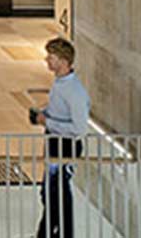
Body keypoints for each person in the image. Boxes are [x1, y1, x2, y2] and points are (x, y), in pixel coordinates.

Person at [32, 37, 90, 238]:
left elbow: (79, 129)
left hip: (65, 146)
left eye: (52, 57)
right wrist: (45, 114)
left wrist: (47, 122)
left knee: (56, 193)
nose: (47, 60)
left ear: (64, 61)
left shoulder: (75, 91)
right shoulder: (60, 83)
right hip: (55, 143)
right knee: (50, 193)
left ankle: (55, 233)